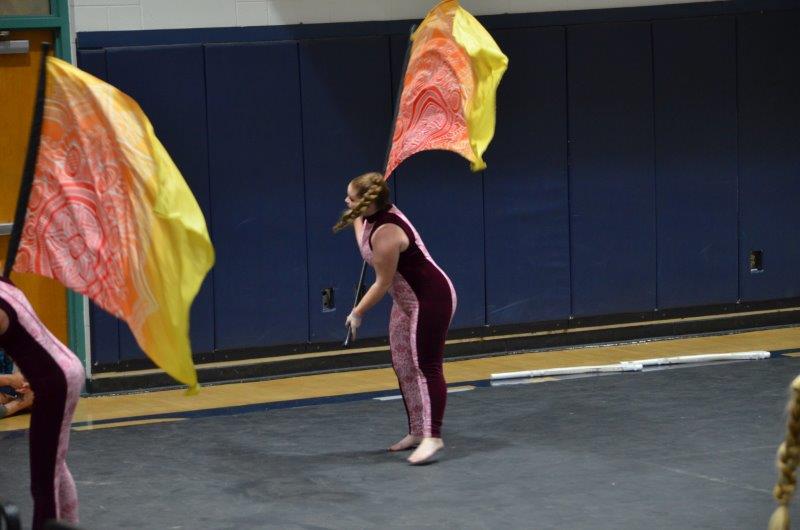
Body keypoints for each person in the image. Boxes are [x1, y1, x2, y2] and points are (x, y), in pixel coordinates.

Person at [334, 172, 457, 465]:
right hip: (405, 302)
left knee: (426, 367)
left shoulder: (388, 231)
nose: (346, 201)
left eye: (351, 198)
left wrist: (357, 312)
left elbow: (382, 282)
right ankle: (417, 431)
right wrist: (355, 216)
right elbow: (365, 245)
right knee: (403, 365)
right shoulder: (371, 219)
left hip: (430, 299)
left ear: (367, 202)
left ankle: (433, 436)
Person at [0, 276, 84, 529]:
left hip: (54, 380)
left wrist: (13, 378)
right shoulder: (5, 283)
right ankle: (69, 524)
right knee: (55, 464)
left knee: (44, 481)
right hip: (64, 370)